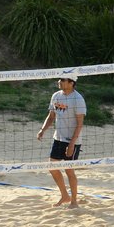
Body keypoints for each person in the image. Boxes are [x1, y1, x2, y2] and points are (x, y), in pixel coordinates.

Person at [36, 74, 86, 207]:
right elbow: (51, 116)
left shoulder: (78, 99)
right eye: (60, 79)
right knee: (52, 168)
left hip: (72, 140)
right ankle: (65, 195)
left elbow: (80, 124)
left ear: (71, 83)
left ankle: (74, 201)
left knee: (69, 171)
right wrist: (42, 129)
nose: (59, 81)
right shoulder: (56, 95)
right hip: (58, 138)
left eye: (63, 80)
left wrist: (71, 144)